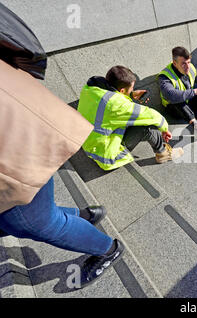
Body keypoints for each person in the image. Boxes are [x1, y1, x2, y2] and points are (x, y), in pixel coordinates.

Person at [0, 2, 124, 289]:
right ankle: (85, 215)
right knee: (26, 215)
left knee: (29, 222)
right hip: (20, 118)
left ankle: (107, 248)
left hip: (11, 138)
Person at [77, 65, 184, 170]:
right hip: (104, 154)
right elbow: (150, 115)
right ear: (122, 91)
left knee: (126, 119)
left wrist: (130, 95)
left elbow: (112, 100)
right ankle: (163, 154)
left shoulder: (90, 89)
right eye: (132, 88)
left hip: (86, 141)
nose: (133, 89)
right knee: (146, 127)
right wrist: (164, 128)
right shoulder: (116, 105)